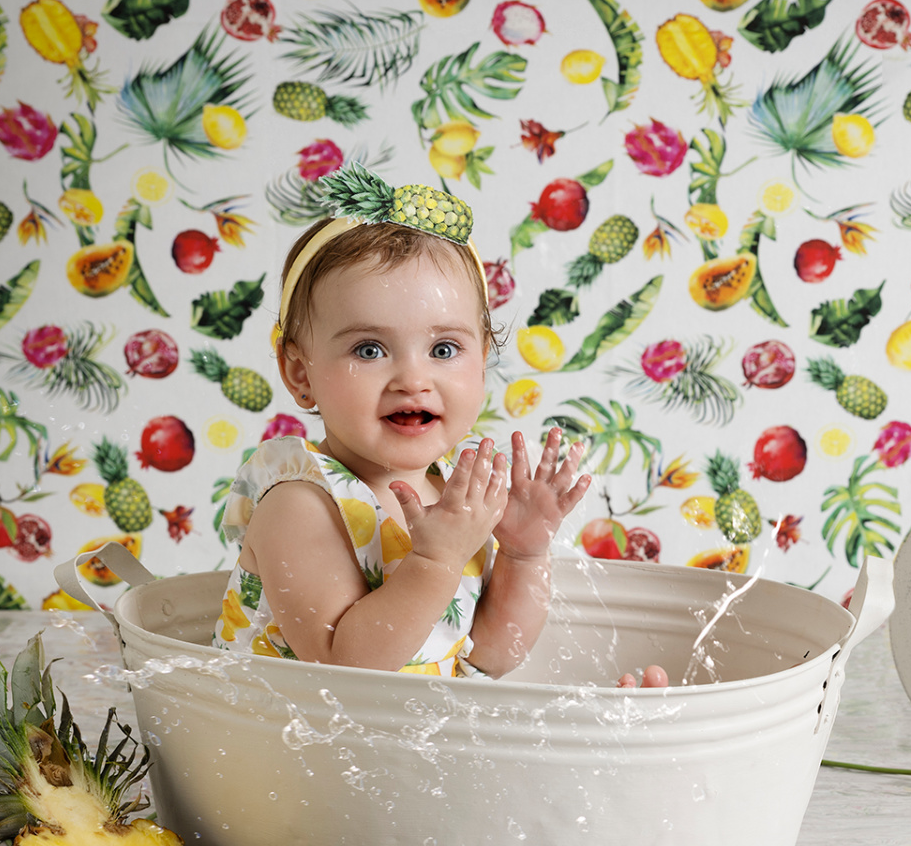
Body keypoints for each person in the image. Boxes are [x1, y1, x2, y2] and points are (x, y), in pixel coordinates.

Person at [212, 166, 668, 688]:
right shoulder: (301, 505)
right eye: (369, 349)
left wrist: (522, 553)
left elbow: (492, 656)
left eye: (444, 349)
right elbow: (342, 671)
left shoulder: (454, 496)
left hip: (414, 745)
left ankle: (612, 739)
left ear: (482, 363)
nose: (413, 378)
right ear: (301, 373)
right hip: (287, 748)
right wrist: (435, 558)